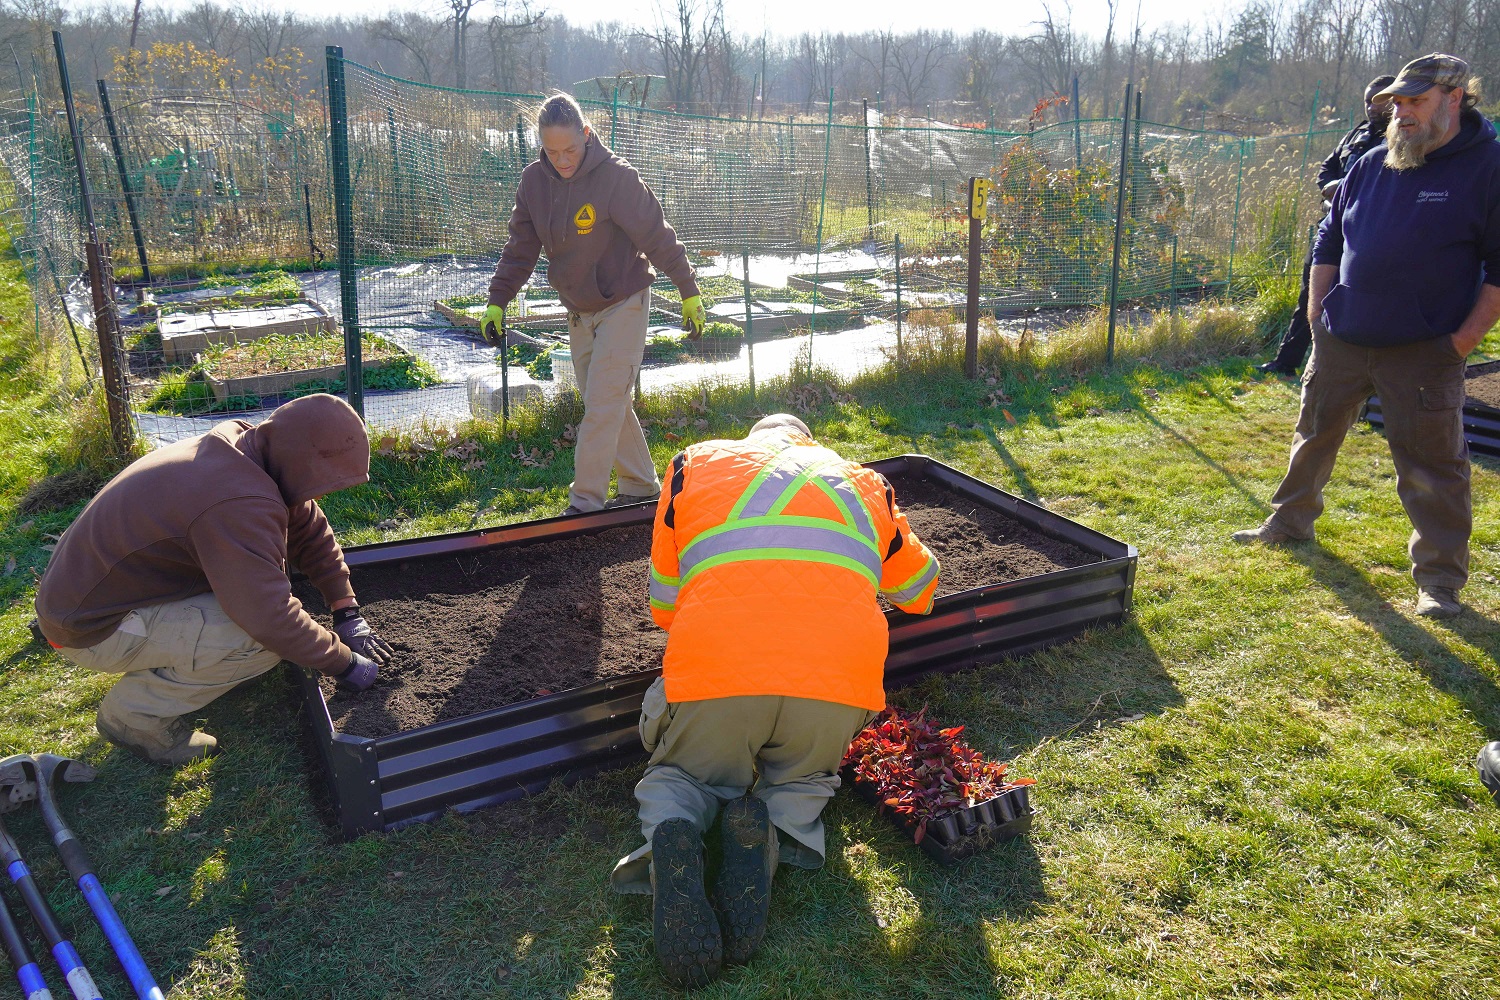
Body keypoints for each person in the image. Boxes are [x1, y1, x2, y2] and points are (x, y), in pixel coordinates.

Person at [610, 413, 941, 988]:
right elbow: (920, 591)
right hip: (836, 678)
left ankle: (675, 826)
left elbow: (663, 604)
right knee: (802, 778)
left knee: (684, 774)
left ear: (754, 438)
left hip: (720, 670)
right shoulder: (867, 483)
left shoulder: (694, 463)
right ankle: (775, 828)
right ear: (810, 443)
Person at [1232, 54, 1500, 621]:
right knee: (1313, 432)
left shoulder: (1488, 169)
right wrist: (1317, 316)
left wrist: (1459, 345)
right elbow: (1329, 239)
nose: (1400, 112)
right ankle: (1289, 521)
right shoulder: (1374, 162)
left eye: (1415, 102)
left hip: (1424, 350)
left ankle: (1439, 582)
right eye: (1396, 102)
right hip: (1343, 338)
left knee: (1432, 466)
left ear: (1455, 99)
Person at [33, 394, 394, 766]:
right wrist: (344, 664)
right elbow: (269, 618)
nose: (321, 494)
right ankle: (135, 717)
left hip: (94, 596)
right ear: (298, 460)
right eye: (323, 484)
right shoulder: (235, 501)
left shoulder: (245, 448)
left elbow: (308, 528)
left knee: (265, 615)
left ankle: (197, 663)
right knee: (260, 640)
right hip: (88, 629)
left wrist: (346, 610)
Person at [480, 92, 706, 515]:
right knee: (607, 404)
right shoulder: (533, 182)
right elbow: (520, 248)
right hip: (579, 311)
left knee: (602, 406)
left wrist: (687, 289)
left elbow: (656, 234)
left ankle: (584, 504)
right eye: (552, 151)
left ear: (586, 135)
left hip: (625, 302)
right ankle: (640, 485)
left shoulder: (616, 178)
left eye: (570, 149)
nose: (562, 160)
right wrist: (498, 301)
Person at [1259, 74, 1396, 376]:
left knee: (1352, 298)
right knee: (1310, 292)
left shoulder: (1401, 139)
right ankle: (1286, 362)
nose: (1371, 107)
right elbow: (1327, 167)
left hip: (1366, 235)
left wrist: (1345, 191)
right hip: (1331, 227)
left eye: (1379, 101)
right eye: (1367, 101)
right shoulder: (1355, 134)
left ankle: (1341, 368)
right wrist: (1330, 188)